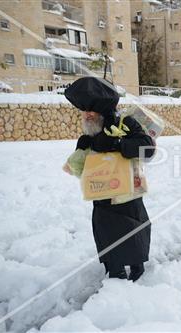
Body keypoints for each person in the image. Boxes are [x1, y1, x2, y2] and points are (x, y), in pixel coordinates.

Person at [65, 77, 155, 282]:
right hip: (102, 194)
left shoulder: (126, 123)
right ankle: (115, 271)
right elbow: (86, 166)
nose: (86, 115)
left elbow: (147, 148)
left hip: (127, 194)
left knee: (132, 231)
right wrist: (81, 150)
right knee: (106, 233)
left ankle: (137, 268)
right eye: (84, 110)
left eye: (91, 110)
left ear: (104, 109)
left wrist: (118, 144)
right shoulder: (91, 130)